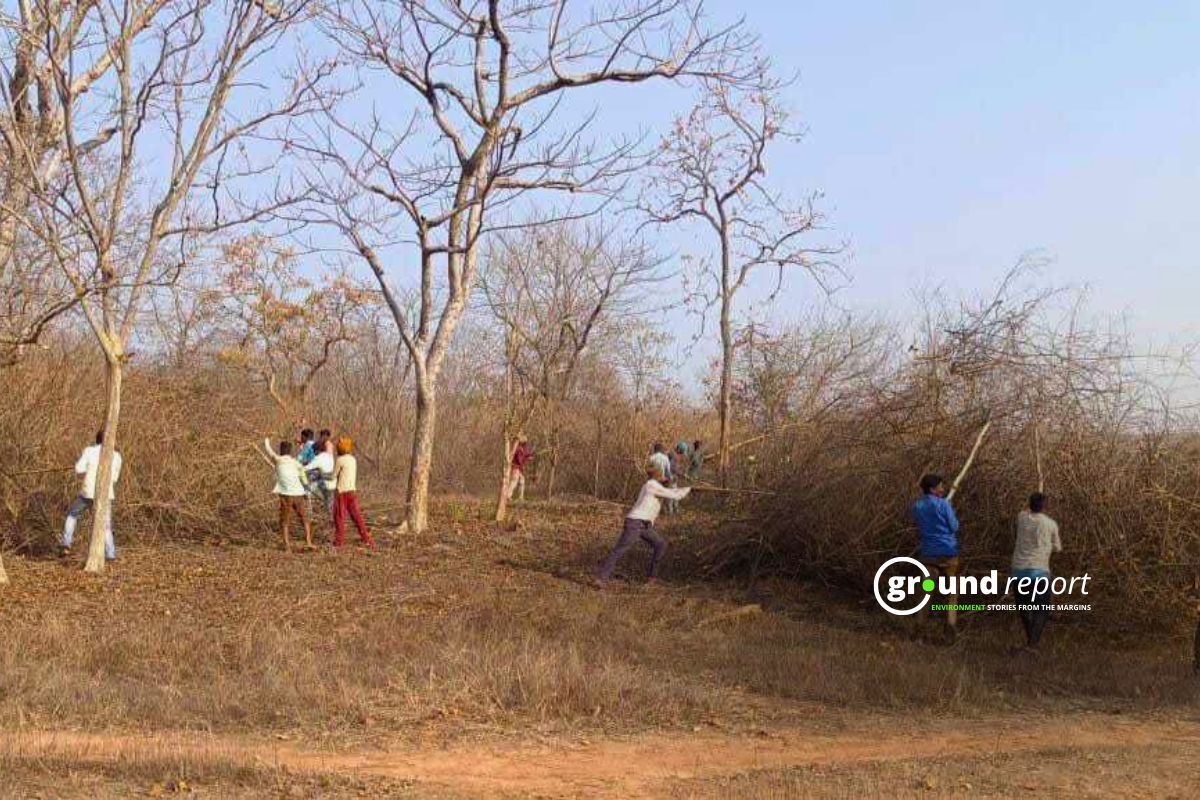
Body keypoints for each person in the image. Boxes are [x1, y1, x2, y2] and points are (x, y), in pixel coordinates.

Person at [595, 464, 691, 586]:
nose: (664, 478)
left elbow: (670, 490)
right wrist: (690, 489)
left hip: (644, 525)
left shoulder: (651, 486)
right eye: (662, 475)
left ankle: (652, 577)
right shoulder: (652, 485)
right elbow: (676, 495)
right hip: (635, 523)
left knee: (660, 544)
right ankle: (601, 578)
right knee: (619, 550)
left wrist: (681, 487)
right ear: (658, 477)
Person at [911, 473, 961, 640]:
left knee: (926, 592)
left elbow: (919, 522)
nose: (943, 488)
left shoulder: (917, 506)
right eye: (940, 486)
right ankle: (950, 630)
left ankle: (919, 631)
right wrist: (948, 509)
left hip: (928, 554)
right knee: (952, 594)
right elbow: (954, 527)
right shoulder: (944, 505)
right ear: (933, 489)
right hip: (948, 554)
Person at [60, 431, 122, 561]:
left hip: (88, 493)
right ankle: (110, 554)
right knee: (106, 525)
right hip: (106, 494)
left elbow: (79, 469)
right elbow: (115, 479)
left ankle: (66, 544)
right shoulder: (117, 456)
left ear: (97, 440)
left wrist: (86, 467)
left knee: (72, 515)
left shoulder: (89, 451)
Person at [1012, 492, 1062, 650]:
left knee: (1024, 609)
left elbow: (1023, 510)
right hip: (1039, 573)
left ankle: (1031, 642)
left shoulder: (1021, 518)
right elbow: (1058, 548)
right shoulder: (1051, 524)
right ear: (1044, 506)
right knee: (1041, 610)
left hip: (1019, 572)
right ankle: (1032, 644)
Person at [264, 437, 312, 551]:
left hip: (286, 495)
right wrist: (307, 491)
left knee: (284, 521)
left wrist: (266, 440)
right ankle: (309, 542)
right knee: (304, 518)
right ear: (290, 451)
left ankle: (287, 546)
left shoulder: (278, 460)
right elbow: (303, 477)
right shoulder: (296, 463)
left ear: (281, 451)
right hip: (298, 493)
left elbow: (269, 450)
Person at [333, 436, 375, 548]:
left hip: (341, 492)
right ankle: (367, 539)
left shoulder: (339, 460)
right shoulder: (353, 459)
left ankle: (339, 542)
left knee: (340, 517)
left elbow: (333, 476)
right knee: (357, 517)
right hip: (352, 492)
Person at [305, 433, 336, 517]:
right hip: (332, 483)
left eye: (314, 452)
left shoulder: (318, 458)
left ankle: (309, 513)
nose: (314, 453)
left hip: (324, 484)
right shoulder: (329, 456)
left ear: (317, 450)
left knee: (306, 491)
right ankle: (329, 518)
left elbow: (306, 469)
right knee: (329, 505)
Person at [648, 442, 675, 515]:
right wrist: (669, 479)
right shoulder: (665, 458)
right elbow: (668, 471)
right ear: (661, 449)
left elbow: (648, 470)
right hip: (662, 479)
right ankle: (668, 512)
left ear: (655, 449)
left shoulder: (651, 458)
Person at [509, 437, 535, 502]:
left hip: (519, 469)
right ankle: (508, 496)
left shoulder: (522, 449)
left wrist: (529, 456)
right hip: (516, 468)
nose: (526, 444)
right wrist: (527, 458)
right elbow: (520, 460)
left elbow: (526, 454)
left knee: (522, 482)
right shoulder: (518, 449)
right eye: (525, 443)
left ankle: (520, 498)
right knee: (514, 482)